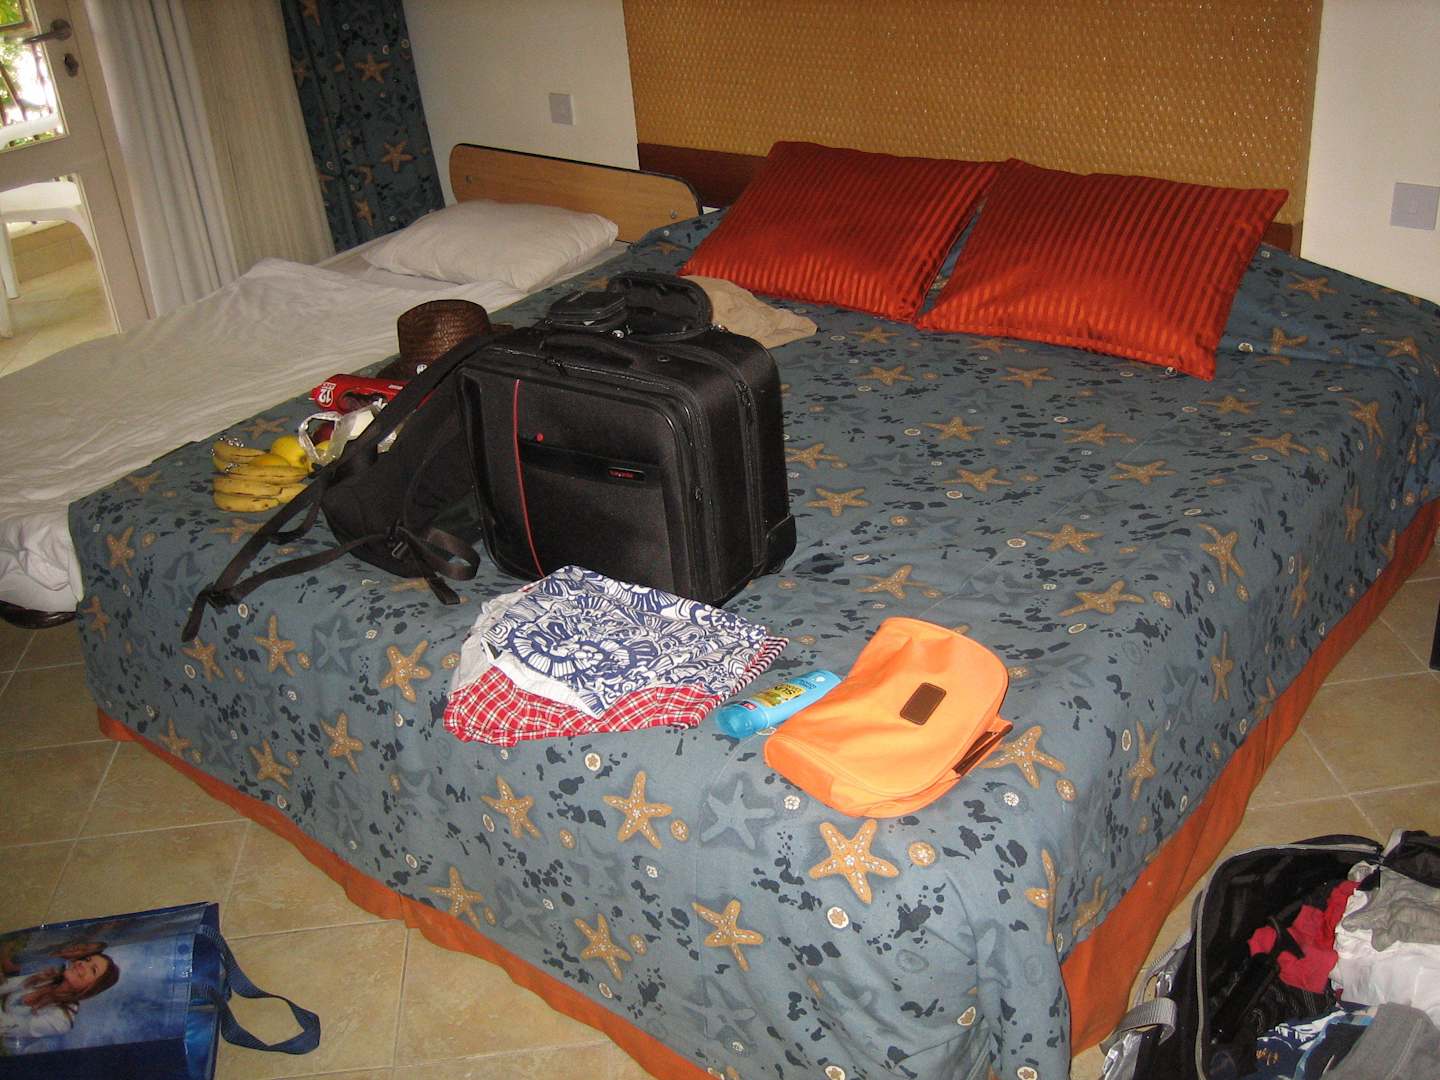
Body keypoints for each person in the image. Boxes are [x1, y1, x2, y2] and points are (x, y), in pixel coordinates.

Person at [0, 943, 120, 1041]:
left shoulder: (61, 1021)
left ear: (93, 987)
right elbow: (7, 985)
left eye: (93, 970)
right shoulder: (50, 976)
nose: (82, 964)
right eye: (87, 960)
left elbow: (5, 1027)